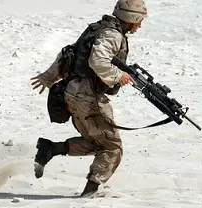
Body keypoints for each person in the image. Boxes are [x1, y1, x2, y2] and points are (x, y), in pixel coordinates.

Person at [31, 0, 147, 197]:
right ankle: (90, 192)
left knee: (96, 142)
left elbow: (69, 53)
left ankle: (50, 149)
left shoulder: (96, 29)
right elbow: (97, 60)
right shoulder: (112, 35)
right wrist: (118, 76)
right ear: (132, 17)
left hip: (71, 93)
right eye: (140, 21)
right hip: (88, 98)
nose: (140, 26)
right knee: (112, 147)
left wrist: (49, 76)